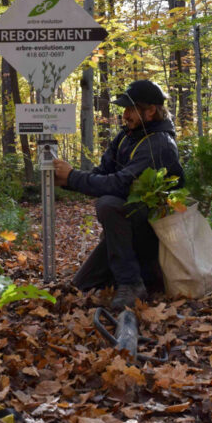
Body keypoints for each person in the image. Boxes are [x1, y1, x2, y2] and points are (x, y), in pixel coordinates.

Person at [53, 80, 184, 310]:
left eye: (130, 109)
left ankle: (131, 283)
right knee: (81, 285)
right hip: (125, 230)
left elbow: (121, 185)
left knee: (110, 205)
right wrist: (66, 181)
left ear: (151, 110)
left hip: (156, 234)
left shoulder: (160, 144)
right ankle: (123, 277)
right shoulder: (126, 137)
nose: (125, 115)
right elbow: (102, 174)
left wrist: (72, 176)